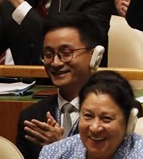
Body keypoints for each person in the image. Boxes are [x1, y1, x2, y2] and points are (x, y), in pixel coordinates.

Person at [16, 14, 105, 159]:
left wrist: (60, 147)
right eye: (48, 54)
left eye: (66, 53)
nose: (55, 63)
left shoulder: (117, 113)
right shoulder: (32, 118)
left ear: (94, 56)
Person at [39, 70, 143, 158]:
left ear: (129, 122)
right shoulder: (54, 154)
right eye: (88, 116)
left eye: (106, 118)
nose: (95, 127)